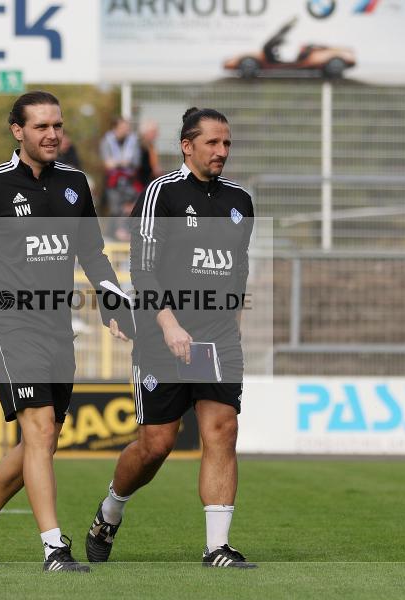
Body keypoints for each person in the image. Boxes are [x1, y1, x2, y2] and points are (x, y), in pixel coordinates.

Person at [0, 91, 133, 573]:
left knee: (40, 441)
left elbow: (93, 254)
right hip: (7, 324)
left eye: (57, 126)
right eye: (41, 126)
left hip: (56, 326)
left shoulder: (75, 184)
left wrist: (113, 304)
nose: (52, 135)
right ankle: (54, 549)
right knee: (40, 430)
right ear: (17, 131)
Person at [86, 108, 256, 568]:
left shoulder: (241, 201)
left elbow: (238, 271)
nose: (221, 151)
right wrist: (167, 322)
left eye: (227, 144)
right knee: (156, 446)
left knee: (222, 430)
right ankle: (110, 512)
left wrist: (233, 331)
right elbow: (143, 266)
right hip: (164, 336)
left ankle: (216, 547)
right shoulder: (162, 193)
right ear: (187, 145)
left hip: (217, 338)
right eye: (212, 143)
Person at [137, 119, 162, 187]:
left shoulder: (150, 146)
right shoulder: (140, 147)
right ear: (146, 133)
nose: (157, 134)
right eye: (154, 132)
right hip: (141, 185)